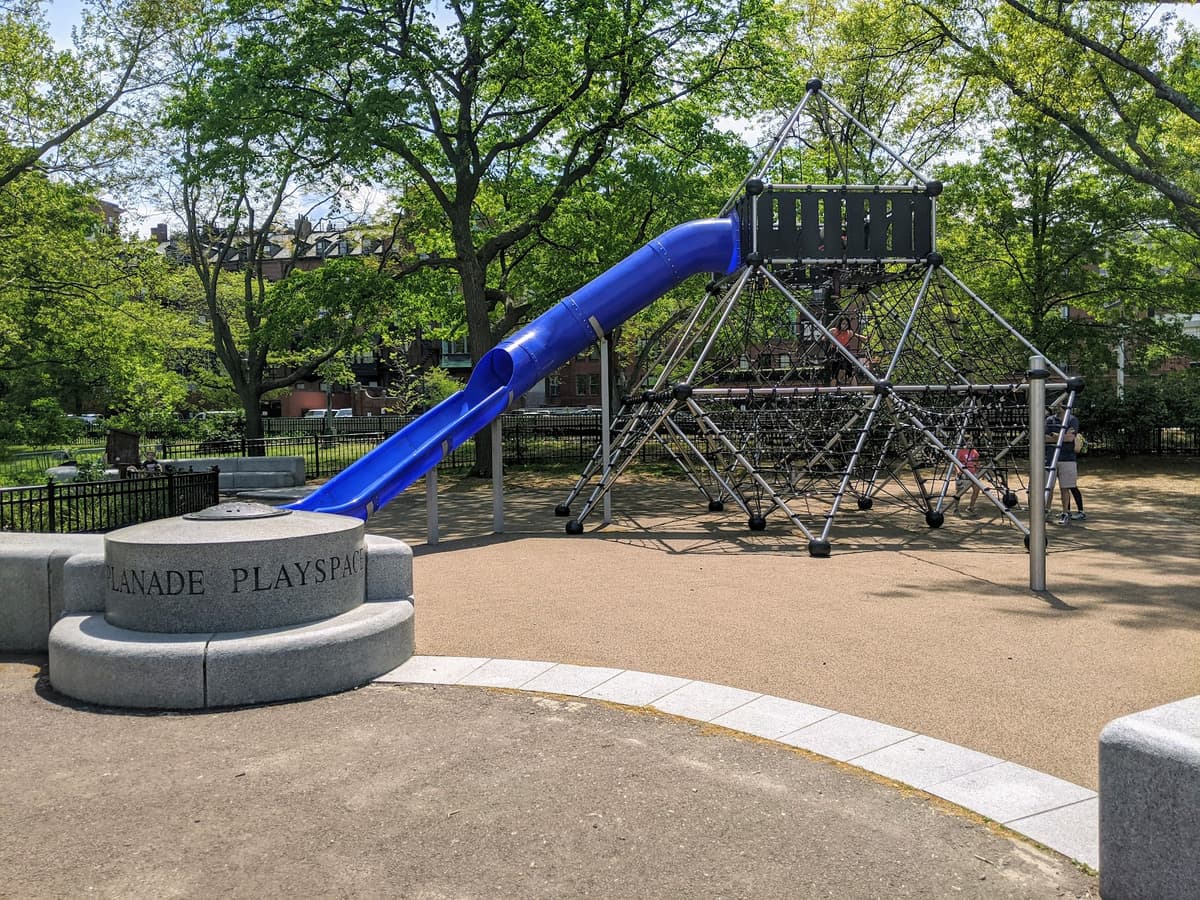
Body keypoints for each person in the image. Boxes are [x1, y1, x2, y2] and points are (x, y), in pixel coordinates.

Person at [1046, 409, 1085, 525]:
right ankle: (1047, 511)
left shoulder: (1072, 419)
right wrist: (1062, 437)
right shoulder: (1049, 420)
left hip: (1067, 459)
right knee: (1049, 488)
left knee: (1066, 487)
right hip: (1050, 459)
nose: (1056, 406)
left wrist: (1055, 436)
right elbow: (1043, 437)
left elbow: (1070, 438)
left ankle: (1066, 512)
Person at [826, 316, 858, 386]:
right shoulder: (833, 331)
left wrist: (864, 338)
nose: (845, 326)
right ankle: (832, 390)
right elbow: (825, 336)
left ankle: (855, 390)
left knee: (850, 372)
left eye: (846, 324)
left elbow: (856, 335)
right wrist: (825, 339)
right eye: (843, 323)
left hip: (846, 352)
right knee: (834, 373)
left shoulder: (849, 332)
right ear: (840, 324)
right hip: (836, 352)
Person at [954, 434, 981, 514]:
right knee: (959, 492)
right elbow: (955, 462)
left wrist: (978, 470)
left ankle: (971, 507)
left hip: (973, 474)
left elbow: (976, 462)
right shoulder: (960, 451)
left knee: (976, 490)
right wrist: (958, 470)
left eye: (971, 441)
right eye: (969, 441)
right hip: (963, 474)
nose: (970, 443)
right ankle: (956, 508)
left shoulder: (974, 452)